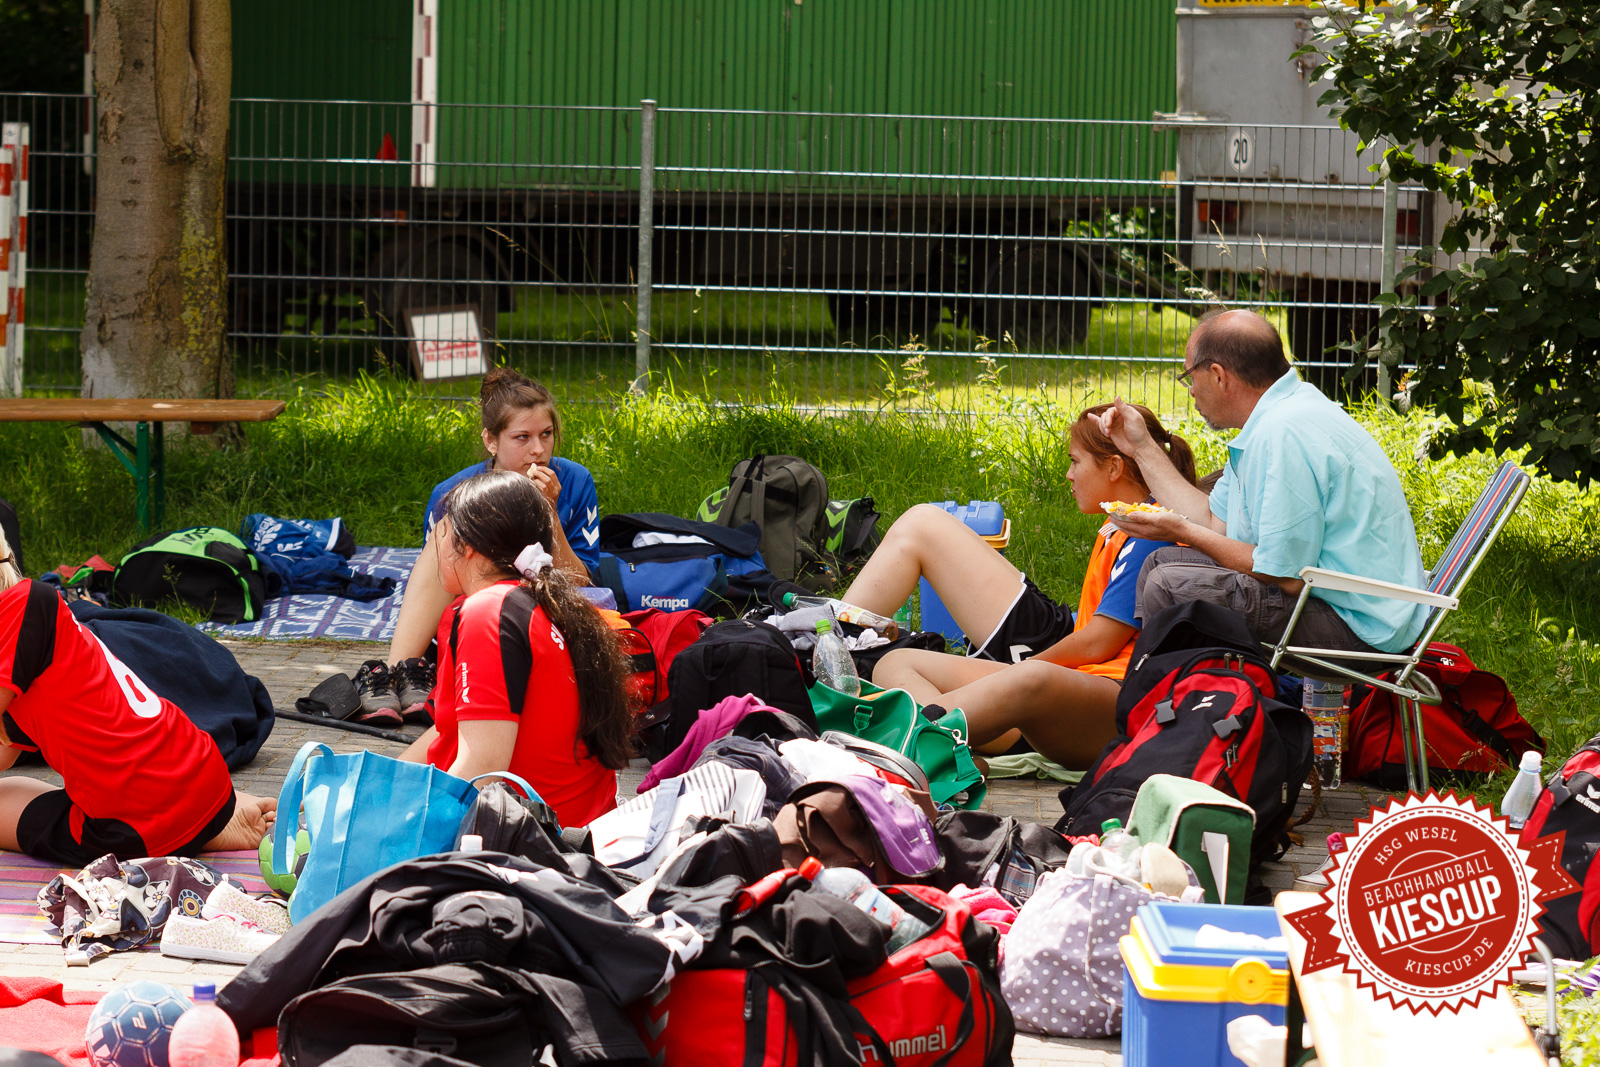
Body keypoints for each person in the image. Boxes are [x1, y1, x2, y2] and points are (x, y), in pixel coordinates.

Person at [838, 403, 1198, 768]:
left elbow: (1099, 642)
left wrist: (1013, 675)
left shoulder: (1150, 530)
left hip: (1106, 697)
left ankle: (913, 743)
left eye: (1075, 461)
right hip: (1070, 685)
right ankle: (944, 745)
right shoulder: (1128, 522)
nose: (1069, 475)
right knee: (895, 662)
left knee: (1032, 674)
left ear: (1114, 467)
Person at [1100, 308, 1429, 657]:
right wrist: (1140, 446)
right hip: (1337, 598)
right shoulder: (1281, 414)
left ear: (1217, 376)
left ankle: (1177, 701)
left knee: (1170, 584)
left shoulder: (1285, 433)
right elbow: (1214, 521)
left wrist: (1180, 532)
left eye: (1189, 377)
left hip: (1363, 624)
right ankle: (1182, 697)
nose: (1191, 391)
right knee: (1159, 564)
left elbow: (1284, 576)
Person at [0, 530, 276, 865]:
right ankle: (207, 824)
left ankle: (186, 834)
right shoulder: (40, 611)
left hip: (135, 828)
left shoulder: (15, 612)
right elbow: (7, 753)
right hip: (206, 776)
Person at [357, 369, 602, 723]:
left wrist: (548, 511)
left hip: (546, 607)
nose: (538, 449)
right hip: (474, 610)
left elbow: (580, 583)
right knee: (447, 529)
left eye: (546, 435)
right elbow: (439, 582)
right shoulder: (452, 492)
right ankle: (400, 674)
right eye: (522, 437)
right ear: (491, 440)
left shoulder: (575, 481)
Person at [399, 469, 633, 828]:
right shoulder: (547, 602)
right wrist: (367, 789)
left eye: (442, 533)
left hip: (527, 848)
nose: (437, 545)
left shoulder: (487, 612)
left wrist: (385, 821)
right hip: (571, 836)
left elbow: (481, 769)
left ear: (468, 545)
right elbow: (455, 731)